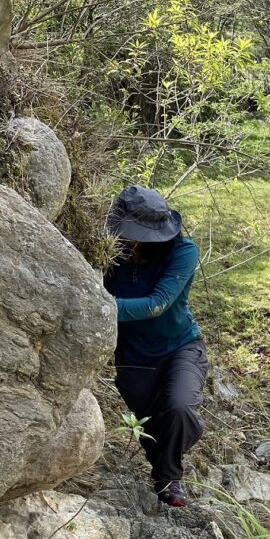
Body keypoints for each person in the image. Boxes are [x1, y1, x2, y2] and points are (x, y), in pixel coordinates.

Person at [103, 185, 208, 507]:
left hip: (180, 347)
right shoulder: (108, 251)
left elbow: (158, 304)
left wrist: (100, 306)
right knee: (150, 426)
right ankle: (164, 478)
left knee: (180, 409)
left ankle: (170, 477)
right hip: (132, 356)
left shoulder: (183, 251)